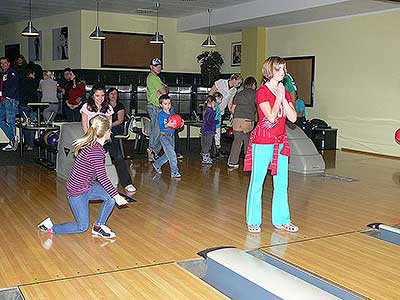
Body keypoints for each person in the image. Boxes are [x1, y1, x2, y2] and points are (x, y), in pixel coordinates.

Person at [37, 115, 128, 238]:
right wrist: (117, 195)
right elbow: (102, 177)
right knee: (82, 227)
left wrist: (114, 195)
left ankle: (98, 227)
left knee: (110, 198)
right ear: (106, 132)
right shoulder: (95, 151)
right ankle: (50, 227)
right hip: (77, 191)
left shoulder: (94, 146)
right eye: (110, 130)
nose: (110, 132)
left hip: (88, 186)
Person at [244, 56, 298, 234]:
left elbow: (292, 117)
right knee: (257, 182)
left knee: (282, 183)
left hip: (281, 141)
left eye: (284, 69)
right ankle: (253, 220)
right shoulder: (262, 92)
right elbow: (271, 117)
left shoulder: (285, 92)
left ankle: (282, 220)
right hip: (263, 140)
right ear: (269, 71)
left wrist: (283, 97)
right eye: (278, 69)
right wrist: (279, 97)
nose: (282, 72)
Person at [107, 87, 136, 194]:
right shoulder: (104, 106)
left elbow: (119, 121)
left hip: (115, 128)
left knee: (118, 155)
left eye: (115, 93)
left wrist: (108, 126)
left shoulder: (120, 106)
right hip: (102, 132)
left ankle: (127, 183)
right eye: (111, 93)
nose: (113, 95)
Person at [227, 76, 257, 169]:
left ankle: (232, 162)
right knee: (247, 140)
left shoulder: (239, 94)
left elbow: (232, 109)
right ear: (253, 85)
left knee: (237, 141)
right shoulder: (255, 94)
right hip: (248, 120)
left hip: (236, 120)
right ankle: (249, 162)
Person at [209, 74, 243, 152]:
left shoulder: (234, 90)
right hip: (213, 110)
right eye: (238, 83)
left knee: (217, 129)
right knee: (211, 129)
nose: (239, 85)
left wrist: (232, 112)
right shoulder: (221, 82)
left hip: (220, 112)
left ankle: (215, 148)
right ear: (234, 79)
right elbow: (211, 93)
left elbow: (230, 102)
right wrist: (210, 106)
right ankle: (208, 147)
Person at [152, 94, 183, 178]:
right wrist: (167, 124)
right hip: (164, 136)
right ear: (161, 105)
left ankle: (157, 164)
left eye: (169, 103)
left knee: (167, 155)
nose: (168, 105)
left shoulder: (172, 113)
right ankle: (174, 172)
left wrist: (180, 123)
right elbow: (162, 126)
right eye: (165, 104)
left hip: (171, 136)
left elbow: (176, 124)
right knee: (172, 154)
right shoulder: (161, 114)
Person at [146, 58, 169, 161]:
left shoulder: (153, 77)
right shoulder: (154, 78)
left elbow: (163, 91)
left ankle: (153, 151)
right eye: (156, 66)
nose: (158, 68)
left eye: (159, 66)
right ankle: (151, 150)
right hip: (155, 107)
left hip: (154, 106)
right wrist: (165, 87)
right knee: (157, 130)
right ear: (151, 67)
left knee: (158, 130)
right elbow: (164, 91)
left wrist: (163, 89)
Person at [0, 57, 19, 151]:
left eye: (5, 63)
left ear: (9, 63)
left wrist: (7, 96)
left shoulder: (12, 73)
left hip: (10, 100)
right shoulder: (3, 73)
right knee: (1, 120)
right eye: (1, 63)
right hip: (3, 100)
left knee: (10, 120)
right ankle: (13, 139)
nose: (3, 65)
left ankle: (12, 141)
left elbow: (15, 86)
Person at [19, 69, 39, 150]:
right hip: (33, 105)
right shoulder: (35, 82)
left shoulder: (21, 81)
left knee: (25, 124)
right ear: (32, 74)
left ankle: (26, 143)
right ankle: (31, 144)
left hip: (23, 104)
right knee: (32, 125)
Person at [201, 95, 219, 164]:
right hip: (209, 130)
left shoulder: (206, 110)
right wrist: (216, 121)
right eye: (214, 102)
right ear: (211, 102)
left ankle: (205, 156)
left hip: (205, 130)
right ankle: (205, 158)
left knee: (205, 144)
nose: (215, 104)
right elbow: (209, 120)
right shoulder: (210, 111)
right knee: (208, 144)